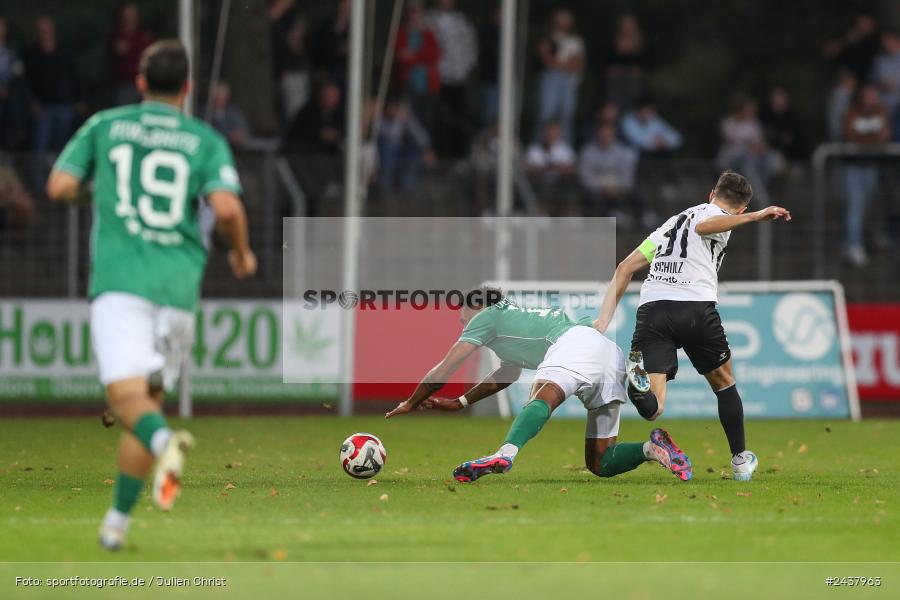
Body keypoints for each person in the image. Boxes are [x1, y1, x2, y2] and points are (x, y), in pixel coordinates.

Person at [45, 40, 257, 551]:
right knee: (149, 402)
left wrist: (94, 192)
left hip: (122, 283)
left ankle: (166, 442)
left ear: (140, 81)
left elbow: (58, 187)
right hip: (178, 289)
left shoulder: (105, 125)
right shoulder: (204, 139)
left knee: (124, 400)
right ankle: (115, 525)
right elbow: (226, 209)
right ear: (187, 87)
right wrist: (241, 254)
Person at [592, 171, 792, 482]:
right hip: (695, 308)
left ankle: (632, 370)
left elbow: (625, 267)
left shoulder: (672, 223)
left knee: (653, 407)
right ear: (740, 208)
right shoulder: (716, 215)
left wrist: (604, 318)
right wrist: (756, 217)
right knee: (724, 383)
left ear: (712, 191)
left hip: (654, 309)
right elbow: (705, 225)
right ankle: (740, 460)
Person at [385, 287, 693, 484]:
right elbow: (507, 374)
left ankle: (505, 454)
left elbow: (445, 368)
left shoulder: (487, 316)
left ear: (477, 309)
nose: (463, 326)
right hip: (606, 353)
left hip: (573, 347)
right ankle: (652, 448)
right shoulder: (518, 321)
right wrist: (461, 402)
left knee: (544, 394)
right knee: (601, 461)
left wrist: (412, 402)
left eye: (463, 319)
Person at [841, 84, 891, 267]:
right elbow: (848, 135)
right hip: (854, 167)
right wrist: (872, 138)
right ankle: (854, 246)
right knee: (855, 206)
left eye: (874, 95)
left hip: (871, 166)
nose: (871, 99)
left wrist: (864, 138)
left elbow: (885, 135)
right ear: (862, 97)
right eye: (868, 95)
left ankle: (849, 242)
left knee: (865, 207)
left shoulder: (881, 111)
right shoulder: (852, 111)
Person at [426, 0, 477, 157]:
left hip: (459, 76)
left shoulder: (461, 21)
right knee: (439, 116)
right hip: (438, 76)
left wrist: (467, 67)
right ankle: (440, 152)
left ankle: (458, 153)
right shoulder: (429, 19)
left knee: (459, 116)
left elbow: (471, 44)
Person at [534, 8, 584, 143]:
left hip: (568, 81)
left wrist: (557, 64)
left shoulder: (575, 41)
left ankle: (564, 149)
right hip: (550, 79)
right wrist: (564, 65)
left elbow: (576, 65)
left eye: (566, 20)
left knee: (566, 115)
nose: (562, 23)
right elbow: (545, 59)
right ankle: (539, 147)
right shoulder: (546, 37)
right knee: (546, 114)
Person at [578, 121, 641, 223]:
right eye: (602, 135)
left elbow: (627, 176)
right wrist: (603, 187)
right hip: (596, 190)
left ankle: (642, 220)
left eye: (608, 135)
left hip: (619, 189)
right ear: (597, 134)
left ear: (613, 135)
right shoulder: (587, 152)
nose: (605, 138)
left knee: (636, 193)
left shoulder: (623, 151)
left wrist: (616, 187)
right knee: (595, 199)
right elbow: (585, 178)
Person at [394, 2, 441, 132]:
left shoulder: (428, 34)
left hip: (427, 85)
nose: (415, 16)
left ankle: (426, 150)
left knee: (426, 120)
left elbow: (435, 54)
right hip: (409, 84)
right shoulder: (401, 33)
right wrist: (420, 56)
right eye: (413, 12)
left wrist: (414, 55)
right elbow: (400, 57)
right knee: (409, 120)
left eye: (418, 12)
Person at [377, 97, 435, 193]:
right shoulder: (380, 119)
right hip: (384, 151)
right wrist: (395, 121)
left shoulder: (405, 117)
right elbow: (388, 135)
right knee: (387, 150)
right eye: (392, 108)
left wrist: (427, 148)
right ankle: (384, 189)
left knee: (415, 154)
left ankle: (406, 188)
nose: (395, 111)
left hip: (400, 150)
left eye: (396, 108)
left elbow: (419, 134)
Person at [108, 2, 154, 106]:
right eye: (127, 13)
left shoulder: (144, 34)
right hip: (124, 84)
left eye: (132, 13)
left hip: (143, 82)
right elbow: (116, 52)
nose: (129, 16)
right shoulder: (117, 34)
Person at [604, 14, 646, 111]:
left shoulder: (640, 43)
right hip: (616, 78)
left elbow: (642, 63)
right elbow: (608, 61)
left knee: (634, 90)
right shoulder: (614, 41)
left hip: (632, 78)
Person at [759, 87, 805, 163]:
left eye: (782, 100)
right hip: (770, 150)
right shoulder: (765, 115)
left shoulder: (792, 115)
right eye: (777, 101)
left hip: (792, 153)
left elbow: (798, 134)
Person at [205, 81, 251, 148]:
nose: (218, 98)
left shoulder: (234, 113)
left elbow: (241, 133)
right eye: (215, 94)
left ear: (226, 96)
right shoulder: (204, 112)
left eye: (220, 94)